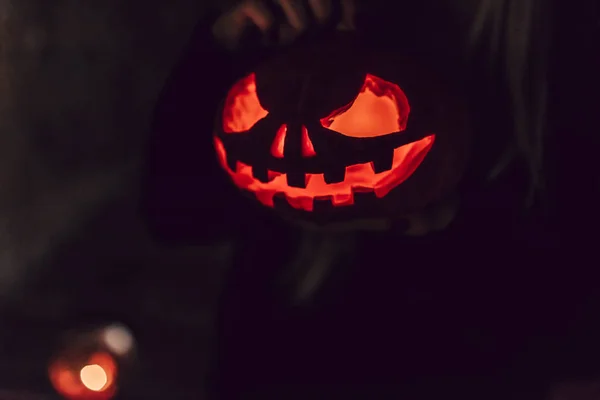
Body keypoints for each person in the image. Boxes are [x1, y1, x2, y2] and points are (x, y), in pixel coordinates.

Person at [144, 0, 600, 398]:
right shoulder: (297, 18)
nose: (297, 149)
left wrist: (455, 222)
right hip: (287, 361)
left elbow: (572, 277)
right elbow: (176, 213)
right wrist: (220, 48)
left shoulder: (566, 41)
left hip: (478, 374)